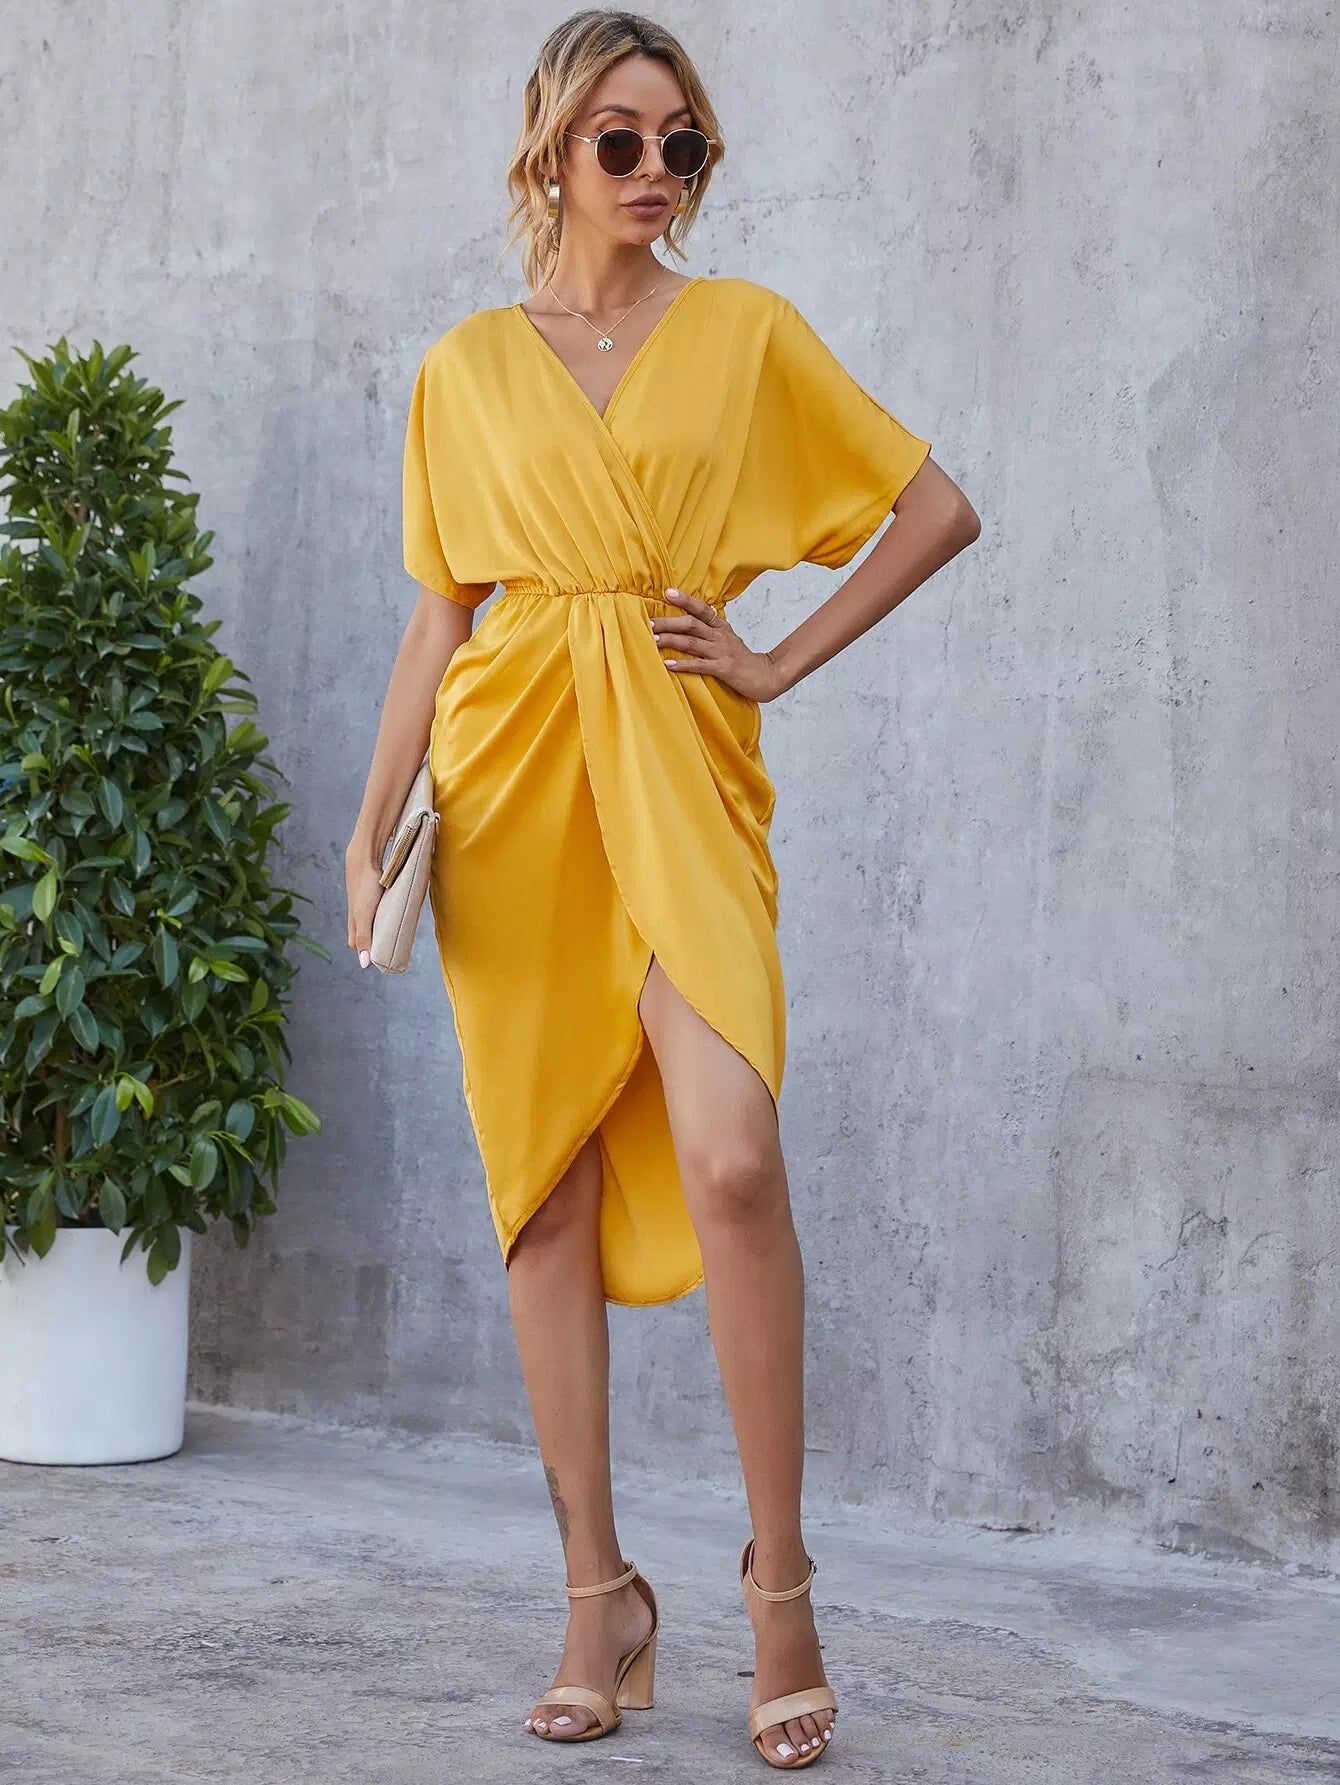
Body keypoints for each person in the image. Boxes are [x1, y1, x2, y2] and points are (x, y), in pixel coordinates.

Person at [346, 8, 979, 1771]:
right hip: (512, 785)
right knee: (543, 1190)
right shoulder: (468, 366)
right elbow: (440, 616)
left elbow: (934, 508)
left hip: (684, 773)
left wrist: (771, 660)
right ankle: (596, 1601)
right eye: (619, 139)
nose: (654, 171)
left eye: (681, 143)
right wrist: (370, 818)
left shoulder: (747, 333)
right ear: (551, 147)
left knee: (734, 1160)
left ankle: (782, 1587)